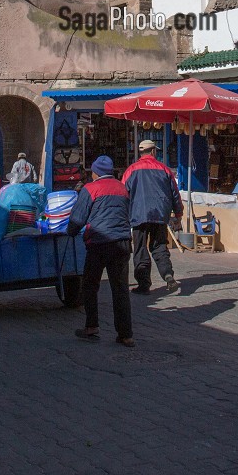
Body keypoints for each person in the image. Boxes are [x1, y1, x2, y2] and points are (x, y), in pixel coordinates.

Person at [68, 155, 135, 347]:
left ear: (95, 172)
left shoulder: (90, 189)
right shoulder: (122, 188)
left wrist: (70, 232)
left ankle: (92, 326)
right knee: (121, 289)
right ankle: (126, 334)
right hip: (122, 242)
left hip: (99, 243)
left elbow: (78, 218)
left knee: (90, 285)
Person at [122, 138, 183, 295]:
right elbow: (175, 194)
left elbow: (123, 194)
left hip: (138, 215)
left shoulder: (130, 170)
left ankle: (144, 285)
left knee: (140, 249)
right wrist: (178, 214)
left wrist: (123, 216)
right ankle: (168, 275)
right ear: (154, 151)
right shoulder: (164, 169)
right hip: (159, 215)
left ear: (140, 152)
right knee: (159, 246)